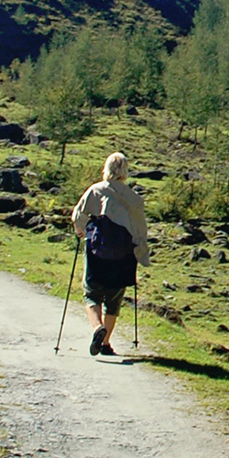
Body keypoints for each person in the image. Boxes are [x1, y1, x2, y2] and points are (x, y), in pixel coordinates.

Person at [67, 152, 150, 356]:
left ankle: (97, 328)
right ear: (125, 171)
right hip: (124, 255)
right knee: (114, 300)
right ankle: (105, 343)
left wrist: (84, 231)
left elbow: (78, 215)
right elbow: (140, 230)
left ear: (107, 169)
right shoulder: (134, 199)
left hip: (97, 250)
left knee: (91, 293)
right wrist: (140, 252)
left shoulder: (96, 190)